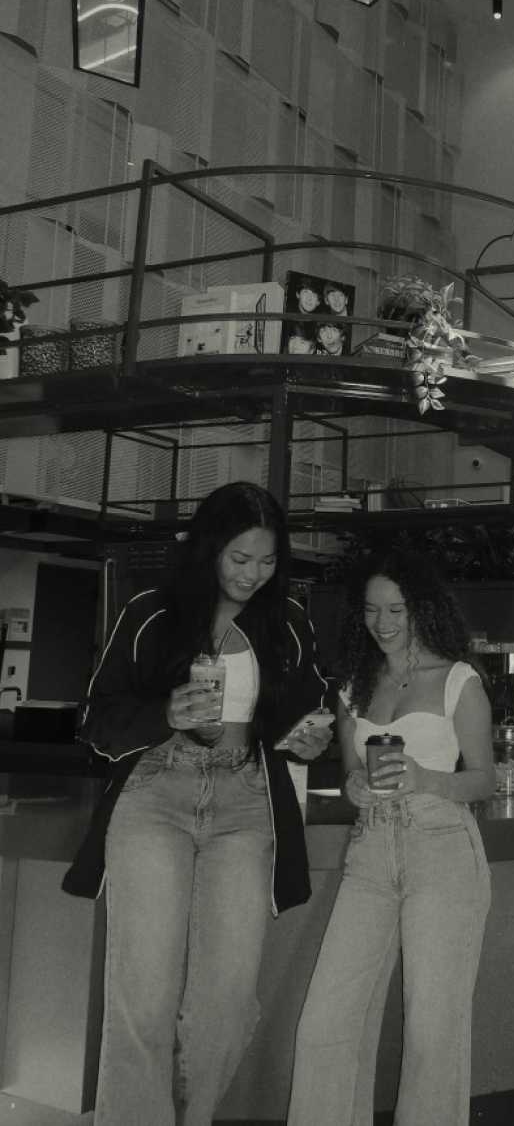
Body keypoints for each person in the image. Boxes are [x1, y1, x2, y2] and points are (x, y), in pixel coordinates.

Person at [62, 482, 329, 1126]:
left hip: (246, 801)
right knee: (144, 1000)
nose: (252, 575)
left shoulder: (287, 621)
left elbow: (309, 710)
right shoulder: (151, 612)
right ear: (210, 548)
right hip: (156, 793)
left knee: (228, 1000)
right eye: (239, 558)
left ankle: (195, 1115)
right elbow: (96, 719)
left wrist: (310, 736)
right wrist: (165, 715)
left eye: (266, 562)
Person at [287, 550, 494, 1126]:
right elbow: (352, 772)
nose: (383, 622)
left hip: (443, 848)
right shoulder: (354, 685)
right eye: (372, 610)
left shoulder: (457, 680)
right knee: (326, 1022)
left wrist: (427, 779)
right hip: (371, 852)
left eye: (396, 609)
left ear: (422, 609)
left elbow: (484, 778)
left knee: (433, 1033)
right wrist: (353, 785)